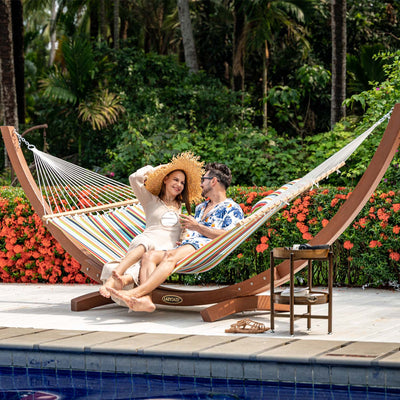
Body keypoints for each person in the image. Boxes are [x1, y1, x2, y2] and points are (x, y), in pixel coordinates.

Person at [108, 162, 244, 312]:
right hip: (186, 247)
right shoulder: (201, 207)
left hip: (205, 249)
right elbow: (191, 231)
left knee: (169, 256)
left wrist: (198, 227)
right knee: (148, 256)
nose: (200, 184)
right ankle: (146, 300)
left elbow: (231, 235)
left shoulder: (231, 208)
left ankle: (136, 293)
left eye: (203, 180)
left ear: (213, 181)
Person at [99, 152, 204, 299]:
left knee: (146, 260)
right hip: (148, 240)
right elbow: (134, 178)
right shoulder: (150, 199)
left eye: (182, 182)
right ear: (165, 180)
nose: (179, 185)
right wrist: (159, 168)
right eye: (175, 179)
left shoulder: (181, 207)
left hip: (166, 249)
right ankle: (113, 278)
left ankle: (127, 285)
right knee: (144, 245)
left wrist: (184, 234)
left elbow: (182, 233)